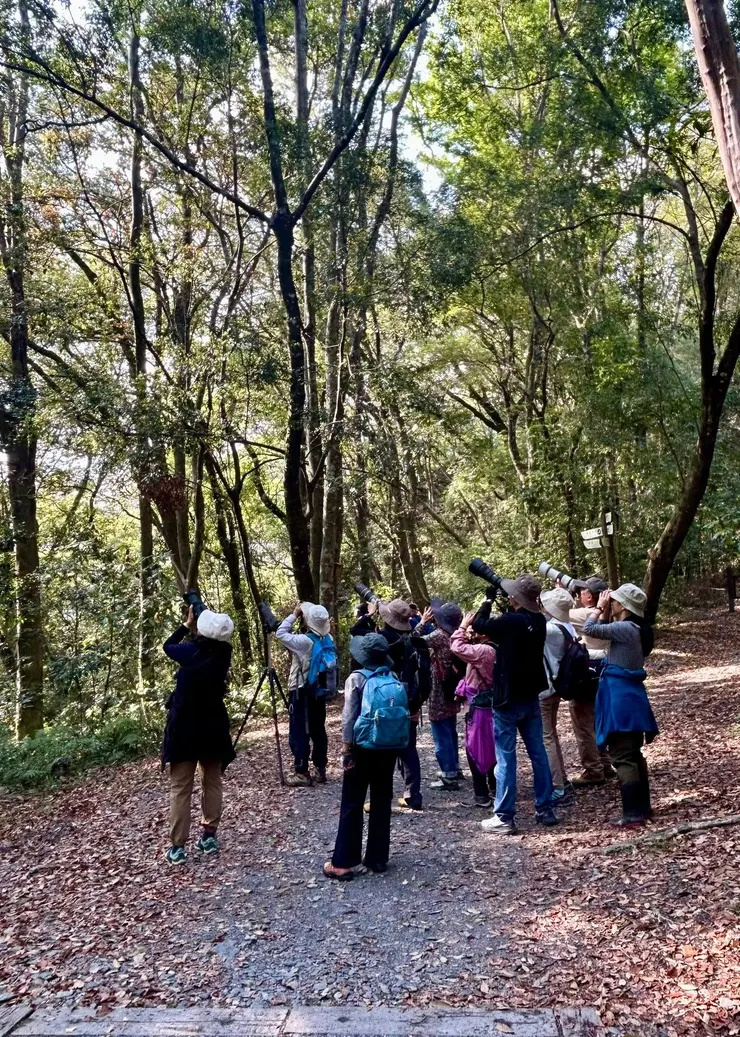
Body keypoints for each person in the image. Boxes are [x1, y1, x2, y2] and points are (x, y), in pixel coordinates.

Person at [473, 575, 558, 833]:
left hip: (507, 697)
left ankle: (504, 816)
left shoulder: (511, 621)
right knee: (538, 754)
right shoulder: (539, 620)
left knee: (506, 757)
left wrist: (487, 600)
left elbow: (479, 625)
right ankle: (545, 809)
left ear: (515, 599)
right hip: (530, 695)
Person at [161, 606, 235, 865]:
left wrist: (186, 624)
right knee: (212, 781)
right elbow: (209, 644)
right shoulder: (224, 652)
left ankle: (177, 847)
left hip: (185, 728)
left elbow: (168, 646)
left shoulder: (189, 651)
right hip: (213, 726)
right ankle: (209, 835)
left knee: (181, 787)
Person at [323, 633, 399, 880]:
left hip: (362, 748)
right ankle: (378, 858)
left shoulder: (356, 679)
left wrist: (346, 749)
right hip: (388, 747)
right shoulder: (392, 677)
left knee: (353, 802)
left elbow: (348, 718)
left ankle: (343, 863)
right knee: (381, 799)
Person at [584, 584, 658, 827]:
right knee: (633, 754)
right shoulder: (633, 628)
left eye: (614, 601)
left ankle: (632, 814)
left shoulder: (626, 628)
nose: (611, 602)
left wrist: (597, 607)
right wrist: (606, 610)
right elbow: (604, 630)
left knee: (623, 756)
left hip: (620, 701)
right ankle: (643, 809)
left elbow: (590, 629)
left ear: (624, 606)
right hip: (632, 699)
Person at [275, 601, 334, 787]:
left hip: (301, 691)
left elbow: (280, 633)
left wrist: (294, 614)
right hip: (318, 691)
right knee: (318, 729)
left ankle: (301, 772)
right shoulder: (328, 639)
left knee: (299, 730)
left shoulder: (305, 641)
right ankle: (320, 769)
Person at [567, 576, 617, 787]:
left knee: (584, 724)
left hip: (587, 675)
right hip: (604, 675)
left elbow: (555, 611)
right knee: (597, 721)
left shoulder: (587, 613)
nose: (579, 595)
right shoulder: (613, 613)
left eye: (581, 592)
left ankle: (593, 769)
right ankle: (605, 763)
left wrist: (562, 594)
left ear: (589, 596)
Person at [375, 598, 424, 811]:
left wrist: (369, 615)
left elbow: (357, 635)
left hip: (385, 699)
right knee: (408, 747)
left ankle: (381, 797)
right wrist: (417, 703)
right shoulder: (414, 639)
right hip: (409, 699)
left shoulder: (382, 639)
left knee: (382, 747)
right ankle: (413, 795)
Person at [412, 601, 464, 791]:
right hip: (452, 685)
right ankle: (455, 768)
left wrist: (421, 622)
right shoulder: (457, 634)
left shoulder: (439, 636)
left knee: (440, 730)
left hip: (439, 688)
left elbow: (414, 639)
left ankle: (448, 774)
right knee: (450, 728)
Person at [450, 611, 496, 807]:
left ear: (483, 633)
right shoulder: (499, 646)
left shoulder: (484, 651)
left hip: (481, 706)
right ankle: (495, 787)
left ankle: (481, 795)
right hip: (494, 704)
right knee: (494, 747)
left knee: (475, 749)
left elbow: (456, 646)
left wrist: (462, 626)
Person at [540, 589, 577, 805]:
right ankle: (561, 779)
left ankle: (558, 786)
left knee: (547, 738)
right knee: (551, 736)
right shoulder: (567, 626)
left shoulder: (550, 629)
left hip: (546, 688)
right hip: (556, 685)